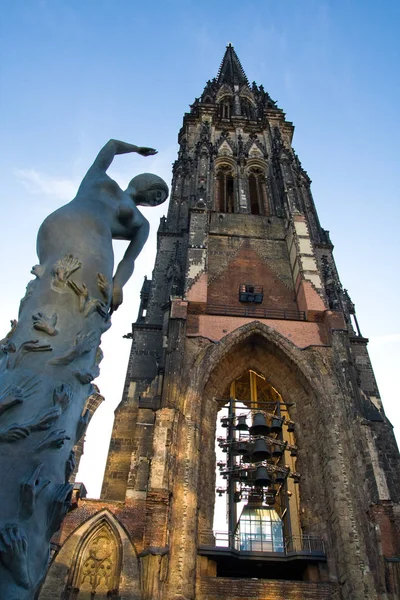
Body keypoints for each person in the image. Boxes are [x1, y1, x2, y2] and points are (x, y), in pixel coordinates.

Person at [36, 139, 169, 314]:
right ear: (146, 184)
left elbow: (129, 260)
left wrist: (118, 284)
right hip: (61, 225)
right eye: (158, 194)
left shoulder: (143, 224)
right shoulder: (98, 176)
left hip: (96, 243)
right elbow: (112, 145)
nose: (157, 201)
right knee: (50, 282)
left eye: (160, 201)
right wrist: (136, 149)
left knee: (81, 296)